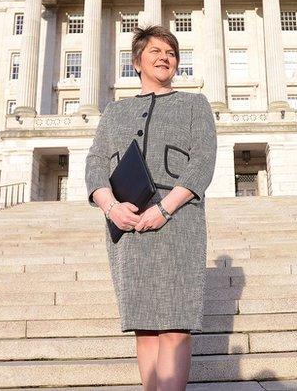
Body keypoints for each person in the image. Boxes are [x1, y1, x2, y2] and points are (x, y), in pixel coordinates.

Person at [85, 25, 217, 390]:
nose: (165, 58)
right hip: (126, 222)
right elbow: (95, 164)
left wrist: (165, 209)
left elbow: (202, 161)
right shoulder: (114, 111)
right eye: (156, 51)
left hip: (178, 221)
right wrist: (111, 207)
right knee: (143, 327)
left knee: (175, 324)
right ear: (137, 62)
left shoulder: (195, 104)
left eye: (171, 53)